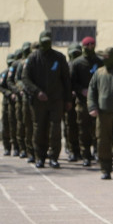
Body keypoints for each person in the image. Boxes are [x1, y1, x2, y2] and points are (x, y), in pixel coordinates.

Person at [22, 31, 72, 169]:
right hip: (39, 101)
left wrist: (68, 100)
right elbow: (25, 79)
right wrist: (37, 92)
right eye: (43, 42)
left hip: (56, 100)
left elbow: (66, 79)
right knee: (39, 129)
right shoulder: (32, 58)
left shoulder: (59, 57)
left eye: (48, 42)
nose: (46, 44)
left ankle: (54, 157)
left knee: (55, 129)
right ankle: (40, 157)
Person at [87, 46, 113, 180]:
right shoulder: (99, 72)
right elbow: (91, 91)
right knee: (103, 142)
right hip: (103, 114)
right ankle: (105, 169)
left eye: (107, 57)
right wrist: (92, 106)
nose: (104, 59)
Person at [70, 36, 102, 167]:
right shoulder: (77, 63)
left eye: (92, 45)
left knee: (97, 130)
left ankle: (97, 152)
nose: (90, 48)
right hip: (82, 102)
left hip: (97, 102)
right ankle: (85, 155)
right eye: (87, 45)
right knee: (83, 130)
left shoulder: (99, 62)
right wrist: (81, 90)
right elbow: (71, 82)